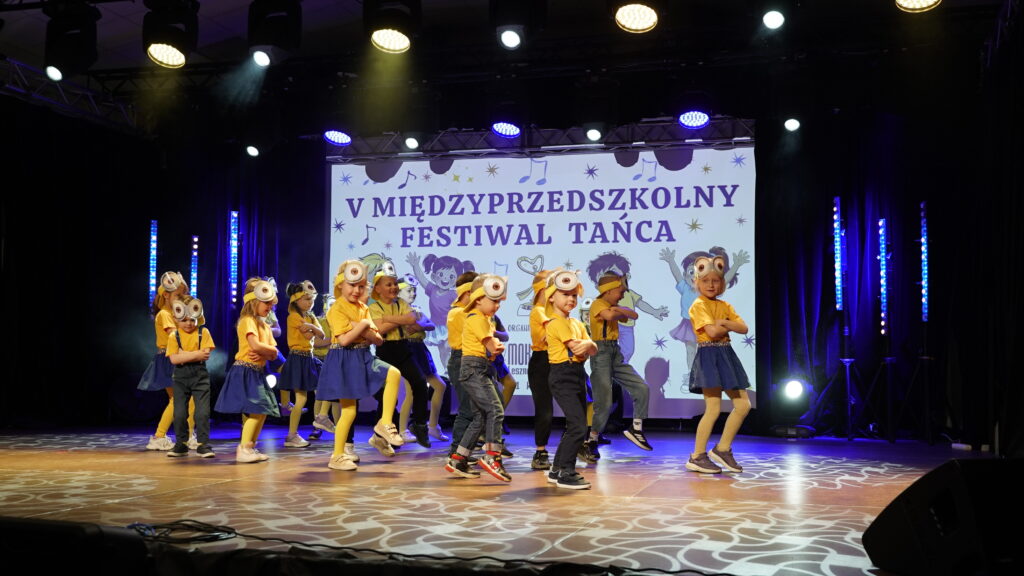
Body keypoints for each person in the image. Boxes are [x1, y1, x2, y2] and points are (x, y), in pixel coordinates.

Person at [317, 260, 406, 471]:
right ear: (340, 286)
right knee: (348, 411)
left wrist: (360, 328)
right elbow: (345, 340)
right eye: (351, 286)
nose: (357, 291)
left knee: (393, 373)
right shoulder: (337, 308)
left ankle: (384, 423)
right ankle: (337, 455)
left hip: (363, 355)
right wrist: (365, 326)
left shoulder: (363, 307)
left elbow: (378, 340)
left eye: (360, 286)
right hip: (344, 358)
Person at [684, 256, 752, 475]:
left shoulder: (725, 305)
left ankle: (722, 449)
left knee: (743, 405)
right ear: (697, 282)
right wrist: (724, 325)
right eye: (706, 281)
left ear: (722, 283)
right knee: (713, 408)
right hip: (709, 355)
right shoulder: (698, 305)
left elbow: (743, 328)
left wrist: (722, 323)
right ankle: (697, 455)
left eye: (716, 281)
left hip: (726, 354)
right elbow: (711, 332)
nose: (711, 285)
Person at [445, 274, 510, 482]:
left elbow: (490, 350)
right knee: (495, 409)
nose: (497, 306)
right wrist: (496, 346)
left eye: (499, 301)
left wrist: (493, 349)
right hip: (473, 369)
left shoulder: (484, 319)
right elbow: (492, 345)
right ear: (478, 299)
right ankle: (492, 456)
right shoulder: (475, 317)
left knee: (480, 416)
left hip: (480, 367)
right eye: (493, 300)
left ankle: (458, 458)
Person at [214, 277, 283, 463]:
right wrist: (267, 350)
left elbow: (272, 353)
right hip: (245, 371)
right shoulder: (247, 320)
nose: (270, 307)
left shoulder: (265, 326)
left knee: (262, 410)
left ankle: (250, 446)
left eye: (271, 303)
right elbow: (255, 345)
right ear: (253, 301)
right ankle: (243, 447)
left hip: (258, 372)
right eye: (266, 303)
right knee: (255, 409)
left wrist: (267, 351)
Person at [587, 272, 654, 459]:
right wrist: (619, 311)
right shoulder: (598, 304)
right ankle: (592, 439)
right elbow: (609, 315)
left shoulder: (613, 305)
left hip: (615, 353)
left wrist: (619, 310)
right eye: (620, 291)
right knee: (604, 401)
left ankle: (636, 428)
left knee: (642, 388)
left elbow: (634, 315)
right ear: (608, 291)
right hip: (600, 353)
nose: (623, 295)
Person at [544, 270, 597, 490]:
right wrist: (586, 346)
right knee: (577, 425)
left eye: (574, 295)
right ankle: (566, 471)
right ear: (551, 297)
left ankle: (557, 469)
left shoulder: (576, 323)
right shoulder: (555, 323)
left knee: (575, 425)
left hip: (577, 374)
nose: (571, 299)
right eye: (565, 294)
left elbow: (592, 348)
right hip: (562, 374)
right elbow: (579, 347)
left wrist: (587, 346)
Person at [139, 271, 196, 451]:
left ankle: (185, 435)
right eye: (178, 295)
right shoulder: (164, 314)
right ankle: (160, 436)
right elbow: (174, 336)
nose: (182, 298)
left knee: (186, 399)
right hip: (169, 359)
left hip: (176, 357)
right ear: (166, 295)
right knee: (180, 399)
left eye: (183, 295)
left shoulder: (174, 313)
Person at [397, 277, 450, 443]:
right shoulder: (397, 311)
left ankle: (433, 426)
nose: (412, 293)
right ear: (398, 292)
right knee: (412, 393)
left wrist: (419, 325)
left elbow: (430, 325)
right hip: (407, 350)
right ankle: (402, 430)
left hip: (420, 349)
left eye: (414, 290)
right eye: (408, 290)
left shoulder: (417, 309)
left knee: (440, 386)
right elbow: (410, 327)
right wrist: (420, 324)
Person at [165, 296, 216, 458]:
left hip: (200, 376)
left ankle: (203, 444)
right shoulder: (174, 336)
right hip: (180, 376)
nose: (188, 323)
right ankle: (181, 444)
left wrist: (184, 354)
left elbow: (205, 355)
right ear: (177, 318)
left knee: (202, 412)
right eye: (184, 320)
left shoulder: (203, 332)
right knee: (179, 413)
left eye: (192, 320)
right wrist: (196, 354)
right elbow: (174, 359)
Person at [278, 281, 326, 448]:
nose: (310, 302)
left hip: (309, 358)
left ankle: (321, 418)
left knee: (321, 388)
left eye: (311, 299)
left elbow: (321, 334)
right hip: (298, 358)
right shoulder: (293, 317)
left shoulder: (310, 317)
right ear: (295, 300)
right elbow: (308, 337)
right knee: (301, 399)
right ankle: (292, 435)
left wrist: (311, 326)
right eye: (306, 299)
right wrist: (313, 330)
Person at [444, 271, 478, 461]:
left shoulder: (467, 312)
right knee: (467, 407)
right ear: (467, 293)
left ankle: (463, 450)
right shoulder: (458, 312)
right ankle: (457, 450)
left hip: (470, 359)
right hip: (461, 360)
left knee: (475, 408)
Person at [527, 269, 556, 471]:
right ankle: (541, 451)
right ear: (541, 290)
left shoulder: (557, 312)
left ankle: (580, 443)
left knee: (582, 400)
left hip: (560, 360)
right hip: (542, 361)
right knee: (545, 409)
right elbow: (552, 333)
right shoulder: (538, 310)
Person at [309, 293, 340, 442]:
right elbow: (315, 343)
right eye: (330, 304)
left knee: (335, 398)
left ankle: (340, 426)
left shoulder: (340, 322)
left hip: (334, 361)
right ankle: (317, 426)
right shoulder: (319, 322)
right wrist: (332, 339)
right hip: (319, 360)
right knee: (320, 396)